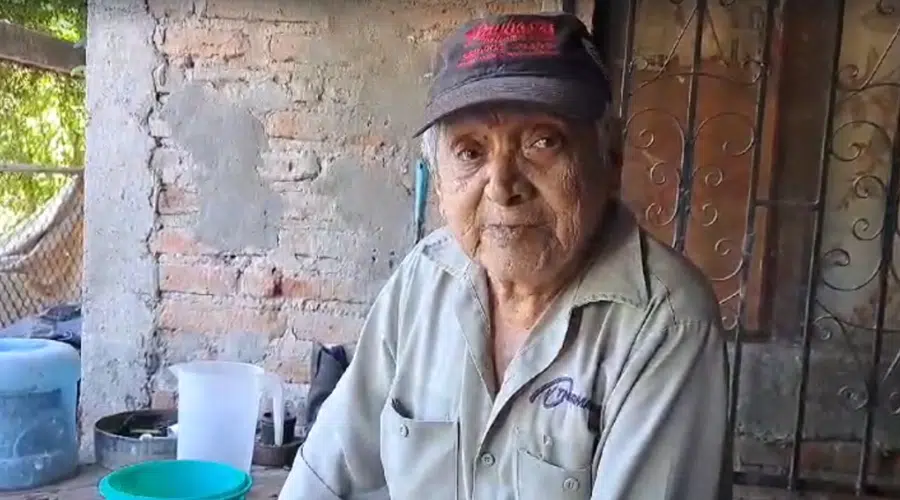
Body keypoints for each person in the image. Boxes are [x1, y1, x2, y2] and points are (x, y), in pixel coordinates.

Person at [279, 12, 730, 500]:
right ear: (439, 177)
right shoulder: (424, 279)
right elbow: (326, 472)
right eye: (471, 152)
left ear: (611, 157)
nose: (502, 187)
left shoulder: (667, 323)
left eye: (542, 141)